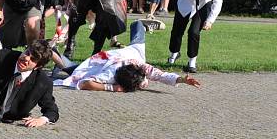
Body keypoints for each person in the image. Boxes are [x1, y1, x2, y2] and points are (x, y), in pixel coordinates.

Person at [54, 21, 200, 92]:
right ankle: (50, 50)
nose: (143, 84)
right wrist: (111, 88)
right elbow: (84, 83)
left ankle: (142, 24)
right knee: (73, 71)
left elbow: (161, 75)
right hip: (102, 62)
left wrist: (181, 79)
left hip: (132, 52)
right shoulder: (109, 75)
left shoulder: (142, 66)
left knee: (137, 27)